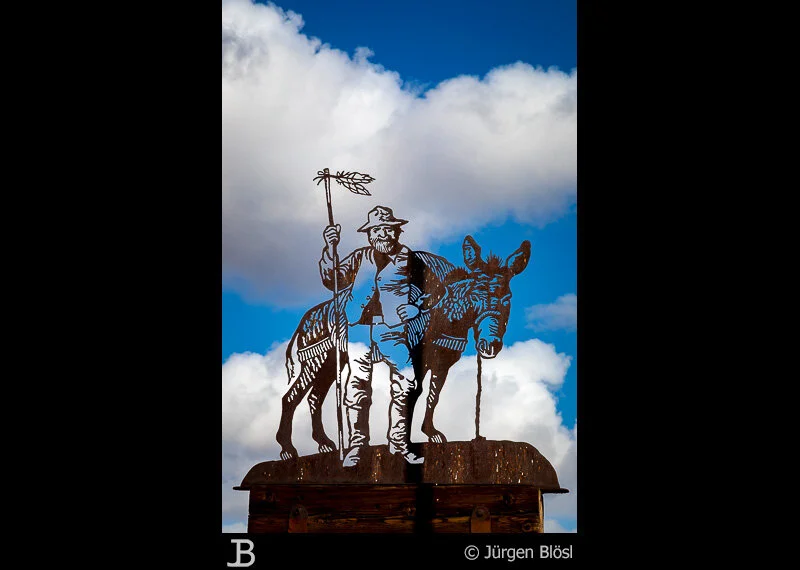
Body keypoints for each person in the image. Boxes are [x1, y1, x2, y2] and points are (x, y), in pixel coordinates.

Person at [320, 205, 450, 466]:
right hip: (358, 329)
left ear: (397, 231)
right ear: (370, 234)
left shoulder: (411, 259)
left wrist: (418, 305)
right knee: (356, 387)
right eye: (377, 230)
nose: (383, 235)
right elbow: (331, 279)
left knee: (407, 383)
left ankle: (399, 443)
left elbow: (439, 290)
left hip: (392, 329)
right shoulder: (360, 257)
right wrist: (329, 249)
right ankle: (357, 446)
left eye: (388, 229)